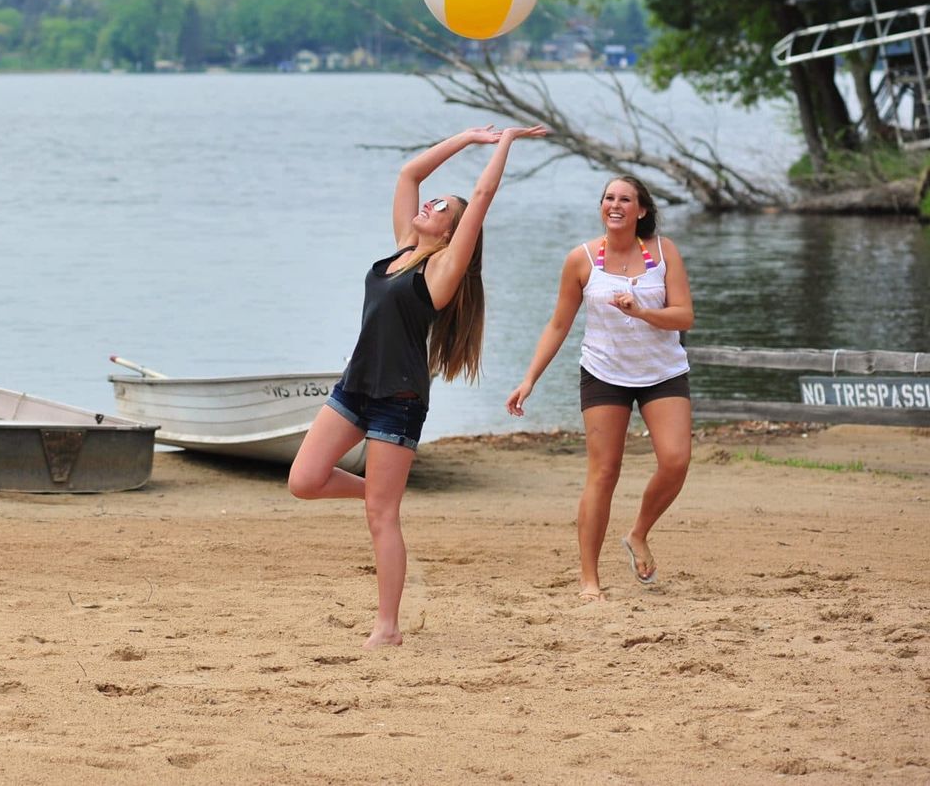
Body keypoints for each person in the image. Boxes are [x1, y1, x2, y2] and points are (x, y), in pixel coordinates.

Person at [288, 125, 546, 649]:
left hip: (398, 401)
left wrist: (504, 144)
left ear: (452, 234)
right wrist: (467, 137)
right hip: (355, 387)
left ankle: (387, 627)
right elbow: (409, 172)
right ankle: (379, 495)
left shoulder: (442, 271)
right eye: (432, 202)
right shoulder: (402, 250)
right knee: (305, 480)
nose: (430, 204)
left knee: (382, 518)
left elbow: (481, 198)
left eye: (442, 209)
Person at [505, 174, 694, 599]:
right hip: (604, 373)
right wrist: (529, 379)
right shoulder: (581, 260)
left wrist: (645, 312)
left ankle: (638, 532)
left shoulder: (664, 254)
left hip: (662, 372)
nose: (615, 204)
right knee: (604, 472)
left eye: (625, 199)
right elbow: (558, 325)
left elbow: (683, 317)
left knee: (676, 460)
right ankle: (589, 579)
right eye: (609, 197)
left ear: (641, 210)